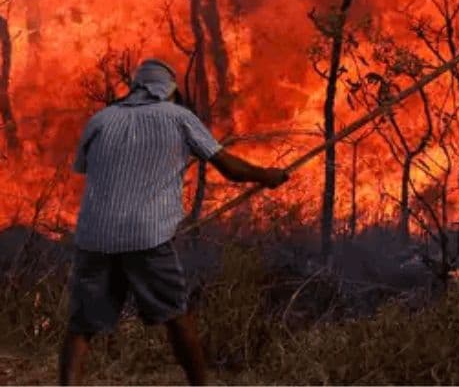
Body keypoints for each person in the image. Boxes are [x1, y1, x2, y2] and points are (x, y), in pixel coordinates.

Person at [60, 59, 288, 386]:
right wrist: (266, 176)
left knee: (82, 326)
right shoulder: (178, 117)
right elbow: (231, 169)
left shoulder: (101, 119)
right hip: (146, 237)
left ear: (137, 87)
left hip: (94, 237)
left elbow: (84, 167)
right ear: (168, 90)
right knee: (177, 317)